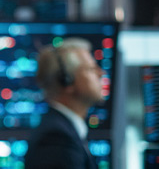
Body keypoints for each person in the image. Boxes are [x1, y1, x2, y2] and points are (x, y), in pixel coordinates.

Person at [25, 38, 105, 169]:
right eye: (91, 69)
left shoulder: (64, 130)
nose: (101, 73)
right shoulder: (56, 138)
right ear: (67, 81)